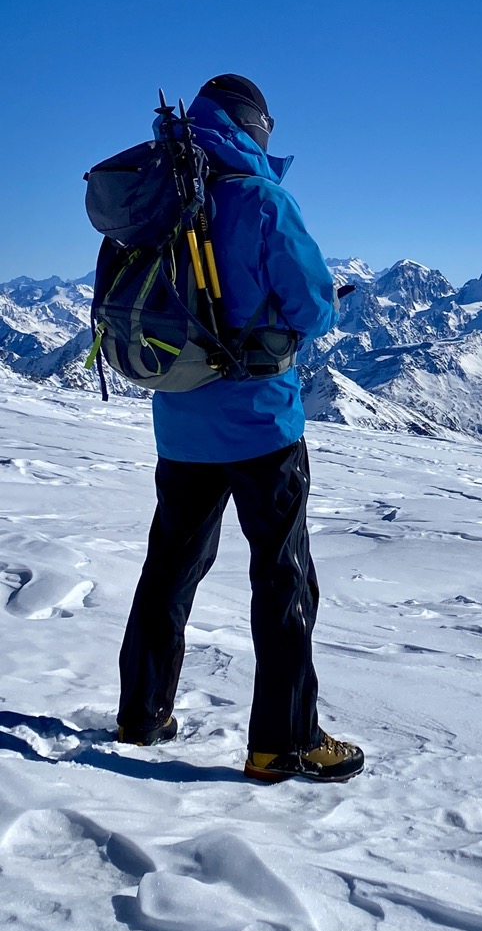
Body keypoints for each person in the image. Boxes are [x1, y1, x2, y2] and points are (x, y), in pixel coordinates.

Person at [115, 74, 364, 784]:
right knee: (282, 583)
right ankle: (280, 744)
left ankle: (142, 714)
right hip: (261, 427)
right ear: (255, 126)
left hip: (181, 425)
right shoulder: (260, 200)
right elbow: (313, 306)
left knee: (170, 569)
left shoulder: (161, 195)